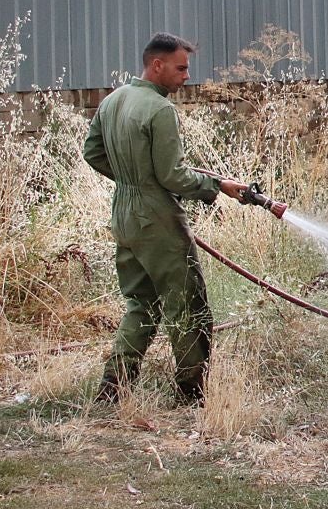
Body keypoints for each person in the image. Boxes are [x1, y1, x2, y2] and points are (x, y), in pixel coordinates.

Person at [84, 33, 246, 405]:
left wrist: (131, 179)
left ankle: (112, 387)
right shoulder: (159, 110)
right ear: (157, 65)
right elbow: (174, 177)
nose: (187, 76)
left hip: (124, 215)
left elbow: (92, 153)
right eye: (181, 68)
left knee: (140, 303)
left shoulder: (112, 101)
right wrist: (218, 186)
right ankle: (191, 393)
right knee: (186, 304)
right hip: (156, 218)